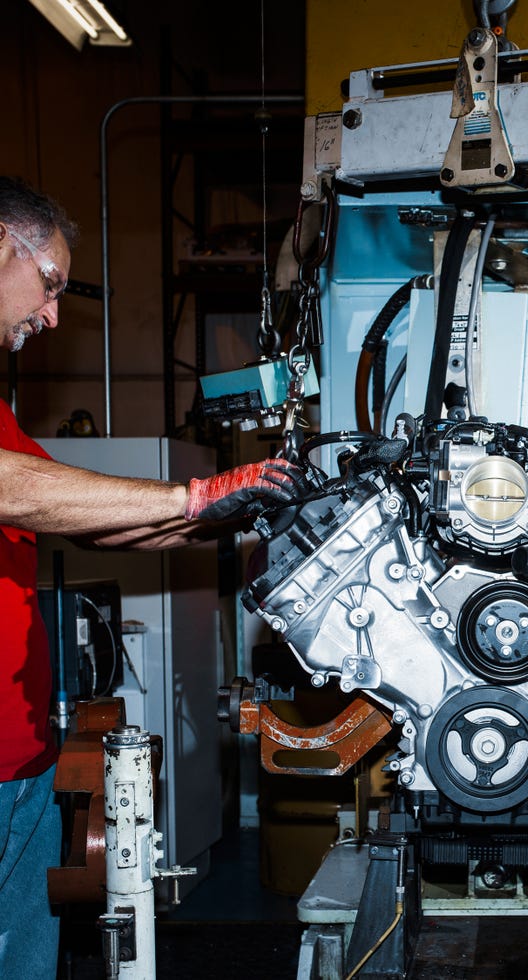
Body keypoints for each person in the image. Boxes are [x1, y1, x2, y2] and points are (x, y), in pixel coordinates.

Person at [0, 176, 307, 979]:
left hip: (19, 760)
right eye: (52, 284)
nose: (54, 315)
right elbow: (9, 488)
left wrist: (224, 510)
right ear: (1, 246)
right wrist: (193, 493)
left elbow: (88, 515)